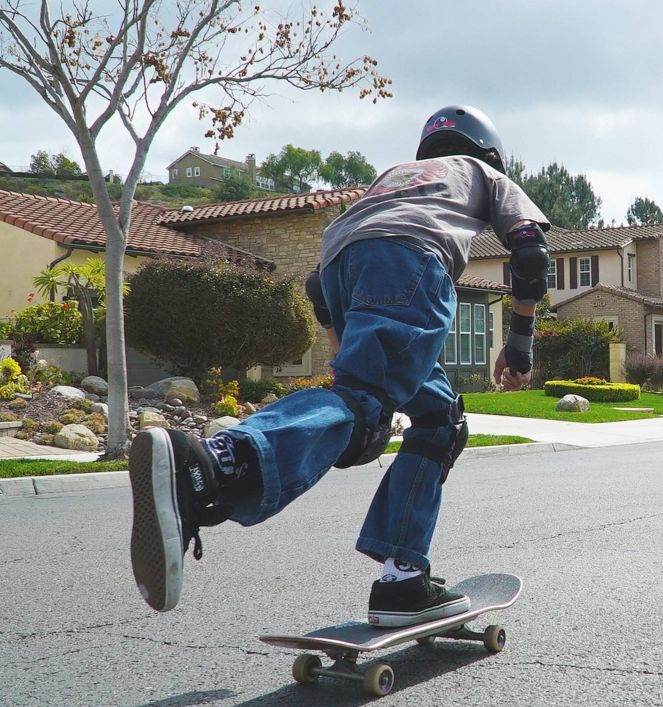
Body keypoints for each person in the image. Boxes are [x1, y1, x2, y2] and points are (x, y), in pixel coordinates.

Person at [129, 104, 550, 626]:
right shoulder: (483, 173)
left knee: (440, 421)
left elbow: (316, 286)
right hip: (412, 259)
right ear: (488, 151)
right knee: (363, 402)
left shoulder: (395, 178)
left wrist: (342, 362)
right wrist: (520, 344)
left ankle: (403, 580)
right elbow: (530, 255)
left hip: (341, 265)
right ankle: (215, 463)